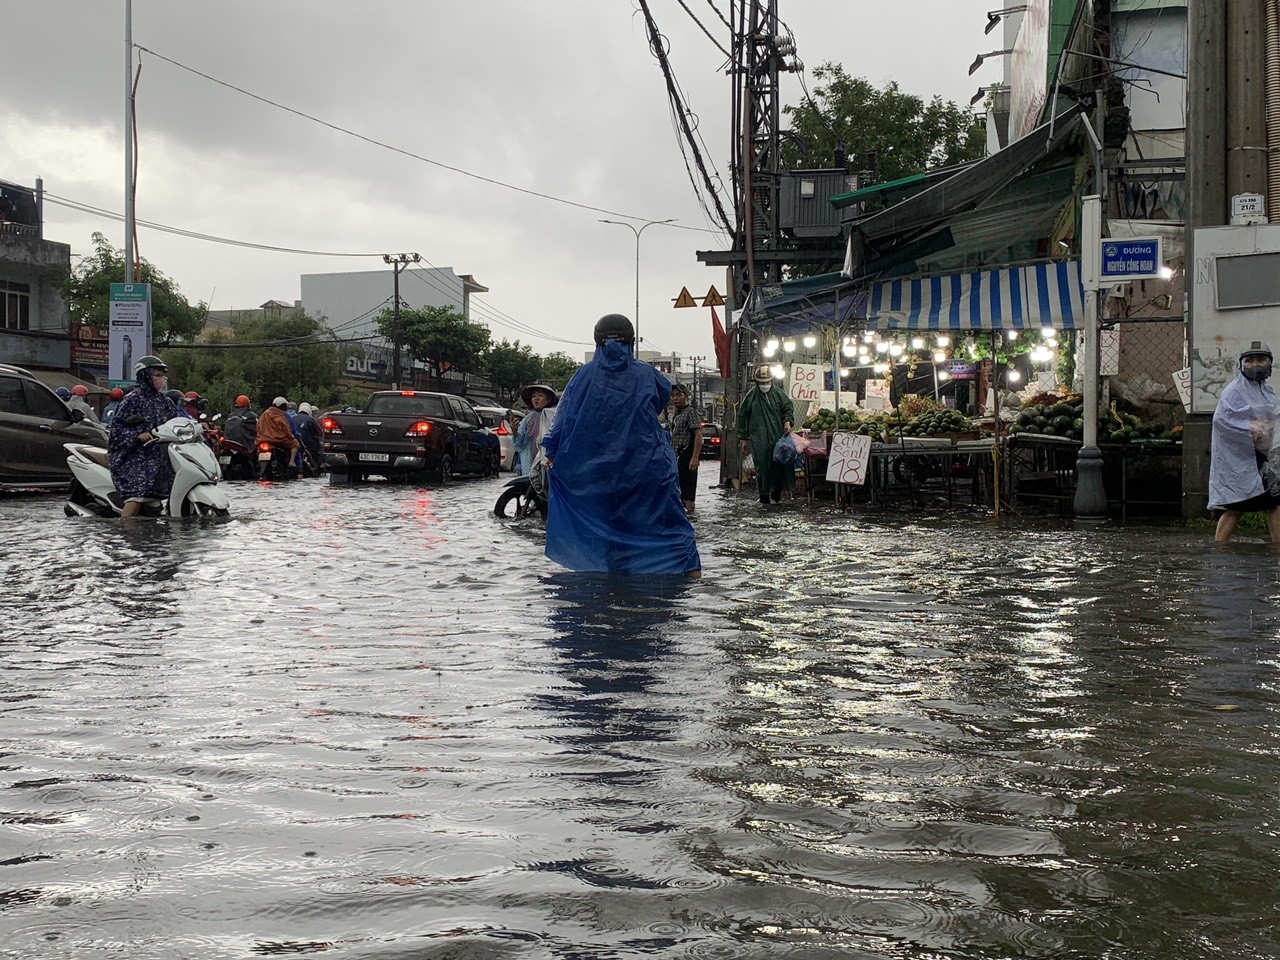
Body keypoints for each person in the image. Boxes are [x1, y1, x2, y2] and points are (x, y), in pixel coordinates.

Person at [541, 313, 701, 577]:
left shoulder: (583, 377)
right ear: (631, 342)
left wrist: (553, 453)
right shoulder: (647, 374)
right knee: (671, 524)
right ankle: (690, 579)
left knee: (606, 532)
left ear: (597, 343)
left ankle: (614, 587)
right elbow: (660, 401)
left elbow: (563, 420)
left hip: (598, 474)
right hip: (646, 468)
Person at [1209, 340, 1280, 542]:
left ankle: (1277, 548)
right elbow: (1222, 420)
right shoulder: (1233, 391)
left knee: (1274, 503)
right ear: (1241, 364)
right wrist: (1251, 427)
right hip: (1240, 459)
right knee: (1235, 507)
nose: (1255, 365)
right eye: (1249, 361)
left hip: (1264, 457)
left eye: (1260, 360)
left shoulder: (1266, 391)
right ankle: (1220, 549)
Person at [107, 355, 183, 518]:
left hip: (160, 458)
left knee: (157, 498)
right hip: (135, 458)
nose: (160, 379)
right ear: (144, 375)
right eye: (156, 375)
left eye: (162, 375)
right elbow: (115, 433)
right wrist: (137, 435)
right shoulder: (132, 400)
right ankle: (124, 528)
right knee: (137, 495)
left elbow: (180, 421)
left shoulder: (165, 401)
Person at [737, 363, 795, 504]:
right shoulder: (751, 397)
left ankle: (776, 495)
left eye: (767, 382)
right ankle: (764, 496)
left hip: (777, 436)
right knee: (762, 466)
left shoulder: (779, 394)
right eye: (761, 383)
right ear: (756, 382)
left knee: (779, 465)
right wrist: (744, 438)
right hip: (758, 439)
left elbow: (787, 409)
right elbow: (742, 416)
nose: (764, 385)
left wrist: (787, 421)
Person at [668, 382, 702, 513]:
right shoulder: (678, 414)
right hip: (678, 457)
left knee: (687, 492)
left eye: (678, 395)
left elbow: (698, 435)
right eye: (673, 396)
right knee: (680, 489)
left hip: (687, 455)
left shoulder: (690, 412)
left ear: (686, 396)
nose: (675, 398)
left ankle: (691, 518)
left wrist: (695, 457)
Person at [513, 384, 558, 478]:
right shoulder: (528, 419)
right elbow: (519, 443)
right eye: (534, 396)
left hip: (550, 459)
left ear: (549, 399)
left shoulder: (555, 417)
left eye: (540, 395)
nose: (536, 399)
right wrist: (514, 431)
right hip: (530, 460)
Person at [295, 401, 324, 472]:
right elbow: (319, 433)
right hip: (307, 444)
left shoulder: (293, 418)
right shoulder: (310, 420)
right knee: (318, 448)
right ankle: (317, 466)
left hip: (294, 442)